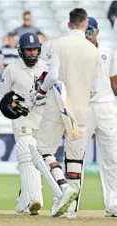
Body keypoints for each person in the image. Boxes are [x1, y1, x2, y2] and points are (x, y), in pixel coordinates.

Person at [29, 8, 100, 217]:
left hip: (59, 102)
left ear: (69, 24)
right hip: (83, 108)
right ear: (85, 25)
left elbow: (52, 75)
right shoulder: (93, 51)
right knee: (75, 159)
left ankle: (62, 188)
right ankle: (71, 211)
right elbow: (94, 89)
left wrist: (40, 91)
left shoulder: (57, 44)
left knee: (41, 150)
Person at [0, 32, 48, 215]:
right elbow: (0, 96)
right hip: (20, 117)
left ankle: (23, 200)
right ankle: (35, 199)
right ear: (21, 51)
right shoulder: (11, 69)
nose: (32, 53)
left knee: (39, 159)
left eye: (35, 49)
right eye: (28, 50)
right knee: (28, 154)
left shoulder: (46, 67)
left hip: (42, 119)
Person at [64, 17, 117, 218]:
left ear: (97, 31)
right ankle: (71, 205)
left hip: (105, 108)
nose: (88, 33)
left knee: (112, 158)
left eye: (91, 30)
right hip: (82, 108)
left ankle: (113, 204)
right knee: (76, 157)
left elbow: (115, 83)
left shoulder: (108, 52)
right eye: (85, 30)